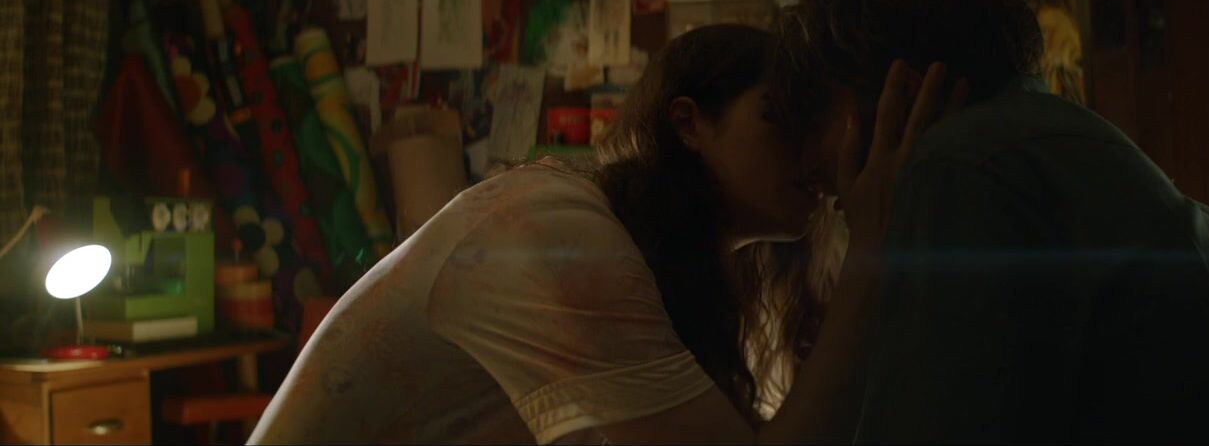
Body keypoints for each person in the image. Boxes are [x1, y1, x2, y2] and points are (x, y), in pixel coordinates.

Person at [248, 24, 961, 444]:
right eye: (778, 117)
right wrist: (874, 249)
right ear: (689, 123)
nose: (809, 152)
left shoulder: (689, 275)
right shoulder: (560, 233)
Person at [773, 0, 1209, 443]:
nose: (811, 170)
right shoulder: (1051, 143)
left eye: (815, 116)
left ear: (900, 91)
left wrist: (869, 252)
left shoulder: (960, 165)